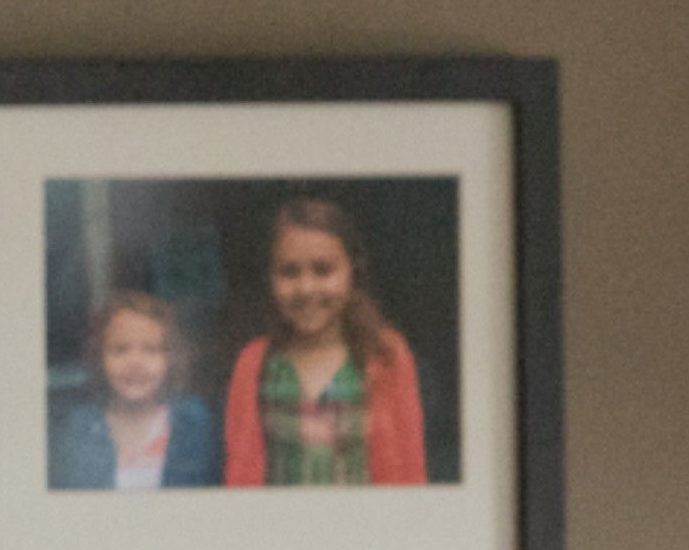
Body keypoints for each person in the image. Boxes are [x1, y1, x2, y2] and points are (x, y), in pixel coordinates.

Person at [221, 195, 429, 486]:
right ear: (271, 278)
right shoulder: (255, 363)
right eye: (289, 272)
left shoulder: (385, 355)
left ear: (352, 271)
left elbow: (410, 469)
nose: (306, 288)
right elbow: (239, 475)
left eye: (323, 270)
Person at [49, 289, 220, 490]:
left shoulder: (192, 421)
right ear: (99, 358)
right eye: (120, 350)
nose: (135, 363)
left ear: (171, 359)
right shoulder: (80, 426)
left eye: (150, 350)